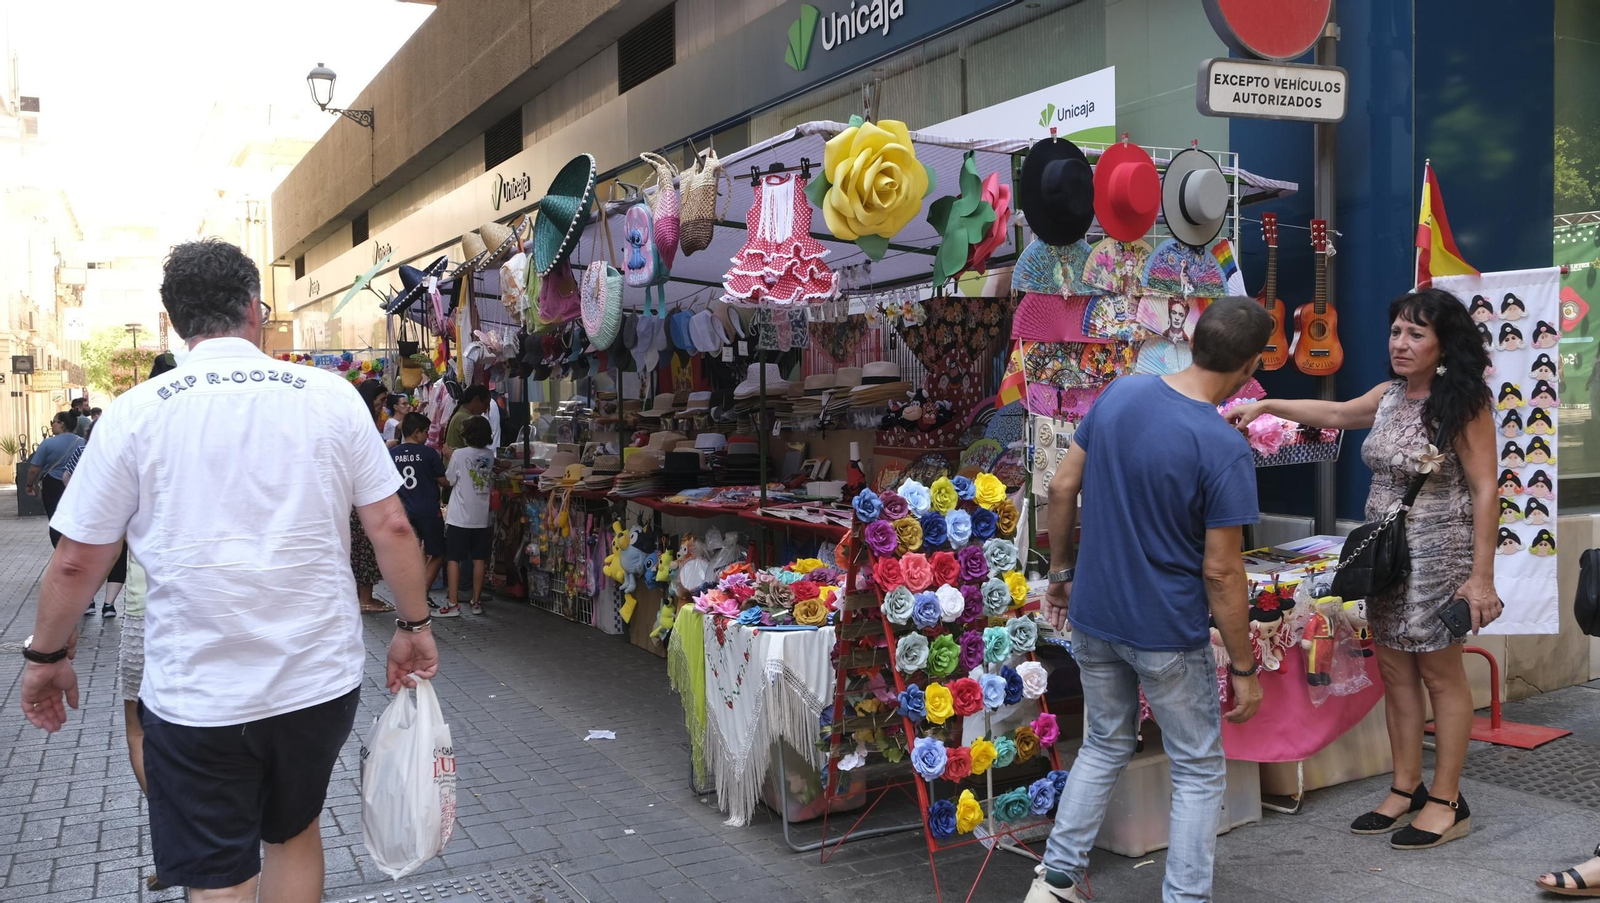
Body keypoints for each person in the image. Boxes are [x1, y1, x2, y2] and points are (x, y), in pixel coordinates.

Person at [19, 238, 438, 903]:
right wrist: (415, 624)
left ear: (175, 322)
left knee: (219, 871)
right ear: (254, 308)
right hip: (317, 680)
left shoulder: (135, 413)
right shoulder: (329, 398)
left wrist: (44, 656)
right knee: (293, 830)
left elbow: (76, 559)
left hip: (197, 694)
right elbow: (390, 526)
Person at [1228, 287, 1500, 852]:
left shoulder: (1465, 404)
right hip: (1386, 557)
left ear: (1443, 344)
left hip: (1439, 557)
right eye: (1397, 331)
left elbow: (1485, 489)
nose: (1401, 343)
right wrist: (1267, 406)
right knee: (1396, 673)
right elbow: (1335, 413)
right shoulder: (1389, 395)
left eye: (1416, 334)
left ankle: (1448, 800)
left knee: (1440, 677)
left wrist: (1481, 577)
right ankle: (1405, 787)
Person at [1030, 297, 1269, 903]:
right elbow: (1221, 573)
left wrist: (1060, 573)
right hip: (1164, 628)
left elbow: (1061, 487)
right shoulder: (1223, 446)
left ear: (1192, 341)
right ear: (1250, 366)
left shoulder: (1120, 393)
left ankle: (1054, 882)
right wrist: (1244, 667)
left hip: (1095, 614)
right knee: (1197, 768)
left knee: (1104, 744)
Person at [61, 427, 126, 619]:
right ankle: (109, 605)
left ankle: (88, 601)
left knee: (87, 557)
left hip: (87, 512)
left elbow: (66, 477)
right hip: (117, 511)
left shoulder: (83, 451)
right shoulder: (121, 451)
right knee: (118, 556)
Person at [391, 412, 450, 613]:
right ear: (417, 433)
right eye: (425, 432)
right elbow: (444, 481)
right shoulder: (429, 453)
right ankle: (420, 595)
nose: (427, 435)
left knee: (410, 555)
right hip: (428, 511)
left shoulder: (393, 454)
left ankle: (406, 595)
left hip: (403, 511)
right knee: (438, 552)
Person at [443, 414, 494, 616]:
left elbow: (449, 480)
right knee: (479, 559)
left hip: (460, 517)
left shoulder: (459, 454)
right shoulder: (489, 455)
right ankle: (476, 602)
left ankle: (453, 603)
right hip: (481, 517)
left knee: (454, 559)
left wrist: (448, 457)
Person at [354, 379, 394, 613]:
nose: (383, 406)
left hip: (359, 495)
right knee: (365, 548)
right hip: (362, 496)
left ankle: (362, 597)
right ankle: (365, 599)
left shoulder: (364, 421)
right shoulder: (363, 423)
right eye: (380, 401)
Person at [26, 410, 84, 547]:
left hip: (52, 484)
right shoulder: (82, 442)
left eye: (54, 422)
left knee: (55, 517)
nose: (52, 425)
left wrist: (29, 485)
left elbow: (34, 469)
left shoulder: (48, 443)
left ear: (61, 424)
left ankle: (60, 549)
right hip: (75, 484)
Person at [445, 385, 490, 461]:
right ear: (476, 399)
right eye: (485, 405)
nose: (485, 410)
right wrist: (498, 462)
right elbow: (476, 452)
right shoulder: (466, 418)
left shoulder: (461, 414)